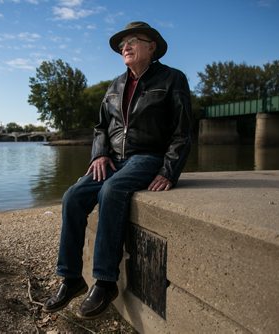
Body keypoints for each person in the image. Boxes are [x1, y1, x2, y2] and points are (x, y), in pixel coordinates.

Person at [43, 21, 192, 319]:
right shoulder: (115, 85)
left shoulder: (172, 79)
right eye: (122, 44)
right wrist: (98, 155)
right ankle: (71, 278)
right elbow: (101, 128)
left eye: (132, 41)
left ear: (151, 47)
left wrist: (168, 170)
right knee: (73, 196)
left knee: (111, 190)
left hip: (147, 157)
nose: (125, 47)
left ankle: (105, 281)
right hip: (113, 160)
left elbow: (183, 131)